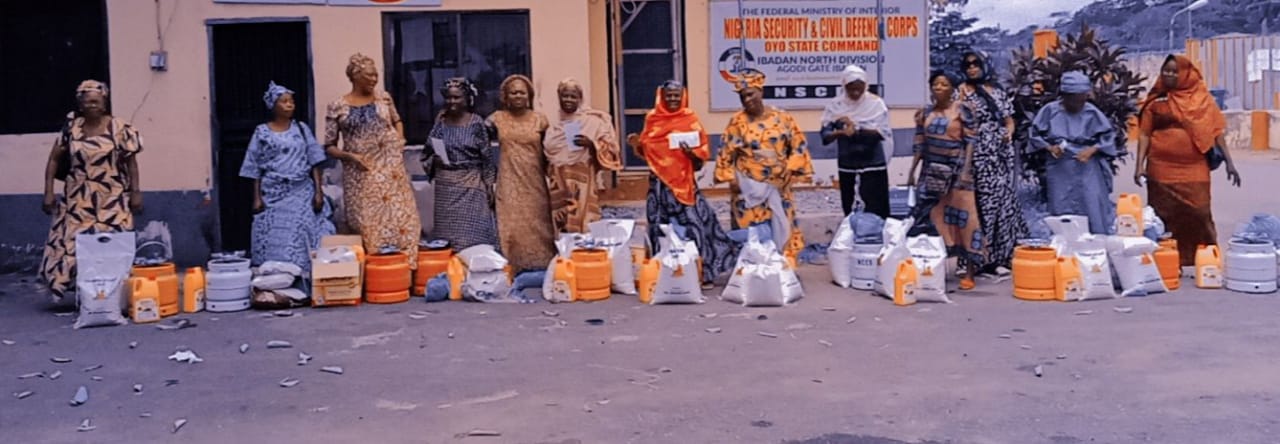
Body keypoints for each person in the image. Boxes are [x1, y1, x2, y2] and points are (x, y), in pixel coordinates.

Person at [626, 80, 738, 289]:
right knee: (659, 229)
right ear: (661, 96)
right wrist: (636, 145)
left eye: (676, 95)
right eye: (668, 95)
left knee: (696, 227)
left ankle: (703, 273)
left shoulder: (690, 119)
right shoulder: (652, 119)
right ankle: (661, 274)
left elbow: (699, 161)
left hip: (684, 185)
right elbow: (648, 153)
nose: (672, 99)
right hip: (658, 186)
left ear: (683, 96)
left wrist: (690, 153)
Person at [40, 80, 144, 303]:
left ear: (105, 103)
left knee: (114, 243)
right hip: (78, 198)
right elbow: (54, 160)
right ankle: (84, 294)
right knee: (73, 244)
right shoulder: (72, 128)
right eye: (88, 102)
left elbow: (131, 163)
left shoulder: (120, 128)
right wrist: (48, 191)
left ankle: (114, 294)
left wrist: (136, 192)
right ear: (80, 105)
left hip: (113, 197)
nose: (92, 106)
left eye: (96, 101)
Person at [1135, 54, 1242, 265]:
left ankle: (1206, 258)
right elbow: (1144, 134)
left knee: (1200, 212)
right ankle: (1168, 260)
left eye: (1174, 71)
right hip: (1160, 168)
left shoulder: (1203, 101)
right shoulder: (1156, 100)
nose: (1169, 74)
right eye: (1166, 70)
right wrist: (1139, 166)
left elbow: (1216, 132)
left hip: (1194, 167)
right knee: (1164, 214)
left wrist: (1230, 163)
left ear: (1185, 74)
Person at [324, 53, 421, 264]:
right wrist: (349, 156)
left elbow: (397, 120)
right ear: (355, 76)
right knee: (368, 221)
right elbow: (329, 145)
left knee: (401, 218)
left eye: (376, 75)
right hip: (361, 173)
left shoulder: (384, 98)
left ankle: (407, 265)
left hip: (391, 171)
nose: (374, 79)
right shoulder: (337, 106)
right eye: (369, 75)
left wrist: (400, 140)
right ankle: (379, 269)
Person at [714, 72, 814, 261]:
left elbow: (798, 145)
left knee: (782, 224)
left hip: (778, 184)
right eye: (742, 96)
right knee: (751, 230)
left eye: (750, 94)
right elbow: (725, 152)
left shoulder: (782, 117)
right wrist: (732, 179)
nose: (747, 99)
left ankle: (781, 265)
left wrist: (790, 168)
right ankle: (751, 266)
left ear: (761, 92)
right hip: (748, 186)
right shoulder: (737, 122)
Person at [239, 82, 335, 270]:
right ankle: (276, 274)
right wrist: (257, 198)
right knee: (275, 235)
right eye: (284, 101)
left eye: (291, 101)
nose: (290, 105)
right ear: (273, 105)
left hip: (301, 191)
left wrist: (318, 192)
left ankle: (302, 273)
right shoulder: (261, 132)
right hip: (273, 193)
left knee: (301, 232)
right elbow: (254, 166)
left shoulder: (301, 129)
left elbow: (314, 160)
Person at [907, 71, 986, 291]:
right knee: (932, 217)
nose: (938, 88)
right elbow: (920, 143)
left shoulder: (963, 110)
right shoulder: (924, 113)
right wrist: (912, 171)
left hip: (958, 171)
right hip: (931, 171)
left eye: (943, 84)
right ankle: (933, 268)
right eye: (935, 84)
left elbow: (970, 142)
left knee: (965, 219)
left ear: (952, 88)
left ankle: (969, 271)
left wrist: (966, 171)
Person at [958, 51, 1027, 273]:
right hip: (975, 156)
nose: (972, 68)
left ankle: (1000, 257)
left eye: (976, 64)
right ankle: (977, 259)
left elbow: (1009, 121)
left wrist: (1008, 133)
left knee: (1003, 204)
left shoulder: (997, 92)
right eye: (967, 65)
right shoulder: (961, 93)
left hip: (999, 156)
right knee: (980, 206)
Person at [1027, 72, 1118, 235]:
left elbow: (1107, 136)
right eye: (1074, 99)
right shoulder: (1050, 111)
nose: (1078, 103)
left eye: (1082, 99)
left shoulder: (1092, 112)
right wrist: (1049, 147)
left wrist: (1092, 149)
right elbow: (1035, 134)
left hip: (1086, 164)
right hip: (1060, 165)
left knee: (1091, 203)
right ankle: (1064, 243)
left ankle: (1096, 240)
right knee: (1061, 205)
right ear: (1064, 96)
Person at [487, 74, 557, 273]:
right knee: (511, 226)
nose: (518, 96)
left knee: (540, 224)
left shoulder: (540, 120)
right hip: (508, 182)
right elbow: (478, 139)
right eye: (513, 93)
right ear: (506, 97)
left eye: (522, 92)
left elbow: (551, 151)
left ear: (529, 96)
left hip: (534, 181)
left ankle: (543, 266)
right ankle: (513, 268)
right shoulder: (496, 119)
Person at [422, 77, 498, 251]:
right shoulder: (441, 123)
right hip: (446, 188)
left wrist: (490, 186)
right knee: (447, 241)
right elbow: (427, 152)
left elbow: (487, 157)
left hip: (471, 185)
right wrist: (435, 160)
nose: (452, 101)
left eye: (457, 97)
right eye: (448, 98)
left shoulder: (476, 123)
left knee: (474, 236)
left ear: (467, 99)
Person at [543, 78, 623, 233]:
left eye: (573, 96)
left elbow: (612, 151)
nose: (568, 100)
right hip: (559, 184)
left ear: (580, 99)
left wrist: (592, 145)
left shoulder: (593, 122)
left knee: (585, 224)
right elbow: (547, 158)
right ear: (559, 97)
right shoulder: (554, 128)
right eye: (565, 96)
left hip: (584, 182)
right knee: (561, 224)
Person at [820, 65, 894, 218]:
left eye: (859, 89)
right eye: (851, 89)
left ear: (865, 86)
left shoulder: (876, 104)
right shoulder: (835, 106)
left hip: (873, 163)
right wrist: (841, 132)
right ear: (844, 86)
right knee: (850, 206)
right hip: (848, 163)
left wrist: (857, 128)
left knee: (877, 206)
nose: (855, 93)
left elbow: (882, 133)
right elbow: (825, 137)